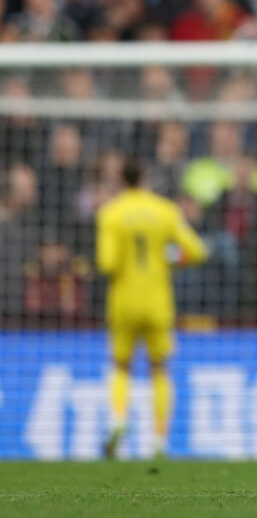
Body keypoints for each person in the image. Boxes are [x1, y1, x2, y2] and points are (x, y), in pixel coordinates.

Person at [96, 158, 208, 458]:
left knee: (121, 366)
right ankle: (159, 441)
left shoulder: (111, 213)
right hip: (158, 302)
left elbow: (107, 262)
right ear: (144, 176)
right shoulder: (165, 210)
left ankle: (119, 419)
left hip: (123, 301)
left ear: (121, 178)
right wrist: (168, 258)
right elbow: (196, 251)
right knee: (159, 369)